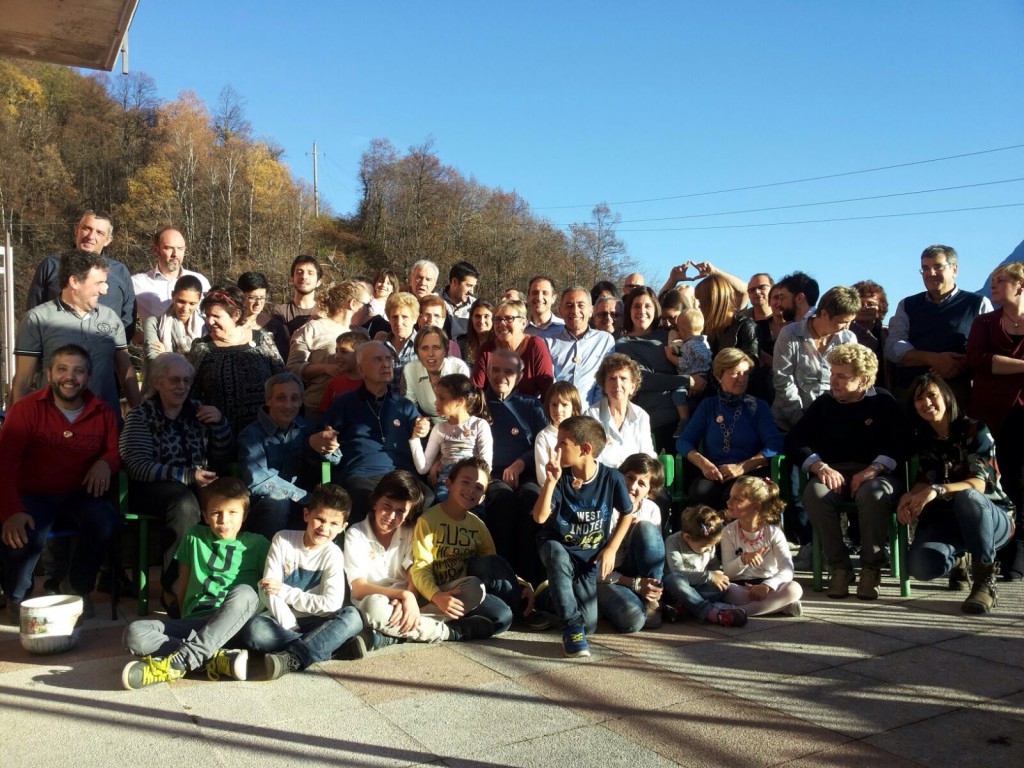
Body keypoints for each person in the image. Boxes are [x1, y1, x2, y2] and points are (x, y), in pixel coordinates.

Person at [1, 344, 120, 622]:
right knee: (21, 531)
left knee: (106, 521)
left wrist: (106, 462)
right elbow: (4, 463)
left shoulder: (102, 411)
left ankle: (77, 588)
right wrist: (11, 511)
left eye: (79, 371)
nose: (70, 377)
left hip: (79, 493)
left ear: (88, 377)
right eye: (62, 369)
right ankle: (17, 596)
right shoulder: (26, 409)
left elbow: (114, 450)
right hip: (33, 492)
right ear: (48, 374)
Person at [120, 477, 270, 689]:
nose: (224, 520)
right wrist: (183, 616)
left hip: (234, 624)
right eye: (216, 513)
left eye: (232, 513)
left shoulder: (258, 543)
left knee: (246, 593)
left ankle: (183, 659)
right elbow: (183, 581)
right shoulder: (194, 537)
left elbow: (272, 584)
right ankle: (216, 659)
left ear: (244, 515)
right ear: (205, 515)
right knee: (134, 633)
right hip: (197, 622)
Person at [786, 343, 908, 600]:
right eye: (832, 374)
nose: (833, 381)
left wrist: (873, 469)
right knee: (815, 495)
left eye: (841, 376)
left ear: (862, 379)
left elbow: (902, 443)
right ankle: (840, 567)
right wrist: (819, 466)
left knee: (873, 495)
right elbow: (796, 440)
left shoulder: (883, 402)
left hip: (877, 473)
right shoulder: (824, 404)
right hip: (834, 471)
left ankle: (871, 568)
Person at [120, 352, 232, 616]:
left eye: (186, 381)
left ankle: (225, 579)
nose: (181, 386)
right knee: (183, 504)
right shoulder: (142, 415)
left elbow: (222, 455)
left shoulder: (198, 412)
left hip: (196, 484)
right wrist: (187, 475)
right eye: (174, 380)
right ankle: (174, 588)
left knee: (232, 499)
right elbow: (137, 465)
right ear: (157, 382)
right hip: (150, 488)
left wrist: (220, 424)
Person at [899, 374, 1015, 613]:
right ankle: (959, 560)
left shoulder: (975, 429)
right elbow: (924, 479)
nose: (926, 402)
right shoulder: (924, 438)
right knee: (921, 567)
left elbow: (978, 484)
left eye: (932, 395)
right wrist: (908, 497)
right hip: (946, 521)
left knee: (968, 498)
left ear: (946, 396)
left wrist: (937, 489)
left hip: (991, 516)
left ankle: (985, 582)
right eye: (919, 399)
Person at [533, 415, 634, 658]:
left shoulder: (612, 478)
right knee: (556, 554)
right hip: (557, 547)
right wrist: (550, 481)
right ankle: (570, 627)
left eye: (562, 443)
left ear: (585, 449)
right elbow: (539, 517)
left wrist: (611, 548)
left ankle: (547, 597)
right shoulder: (561, 477)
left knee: (589, 625)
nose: (556, 448)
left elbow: (627, 513)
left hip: (587, 558)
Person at [241, 483, 364, 679]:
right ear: (306, 515)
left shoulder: (333, 554)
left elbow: (331, 605)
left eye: (333, 524)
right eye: (319, 519)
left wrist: (284, 590)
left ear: (343, 527)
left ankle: (292, 657)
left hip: (316, 620)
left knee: (353, 617)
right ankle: (330, 647)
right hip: (280, 620)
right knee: (254, 630)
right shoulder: (283, 540)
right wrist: (291, 625)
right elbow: (268, 590)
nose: (324, 528)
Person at [410, 457, 531, 641]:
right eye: (465, 482)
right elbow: (420, 567)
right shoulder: (428, 520)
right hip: (438, 591)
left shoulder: (477, 525)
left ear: (482, 497)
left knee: (503, 617)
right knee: (504, 616)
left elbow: (496, 566)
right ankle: (523, 614)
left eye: (479, 487)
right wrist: (437, 596)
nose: (471, 490)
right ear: (449, 483)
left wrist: (522, 585)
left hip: (468, 591)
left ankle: (451, 627)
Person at [14, 248, 141, 417]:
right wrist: (16, 424)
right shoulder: (37, 319)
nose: (104, 290)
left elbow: (125, 371)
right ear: (74, 281)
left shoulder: (110, 317)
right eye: (98, 283)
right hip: (55, 425)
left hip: (105, 423)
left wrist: (141, 417)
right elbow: (23, 380)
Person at [317, 341, 431, 523]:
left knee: (428, 498)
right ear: (361, 369)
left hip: (402, 476)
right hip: (362, 475)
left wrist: (423, 429)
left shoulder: (404, 406)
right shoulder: (344, 404)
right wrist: (322, 441)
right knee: (366, 499)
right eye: (378, 359)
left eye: (388, 359)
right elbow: (320, 439)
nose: (386, 364)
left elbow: (422, 434)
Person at [343, 471, 454, 645]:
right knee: (372, 608)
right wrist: (403, 595)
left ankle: (387, 637)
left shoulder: (410, 530)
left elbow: (413, 573)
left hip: (410, 599)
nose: (391, 516)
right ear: (375, 502)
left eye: (401, 511)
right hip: (377, 600)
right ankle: (449, 632)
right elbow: (358, 588)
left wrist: (410, 598)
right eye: (387, 506)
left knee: (468, 589)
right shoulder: (356, 533)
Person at [966, 261, 1024, 581]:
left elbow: (994, 362)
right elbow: (979, 360)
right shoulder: (985, 322)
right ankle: (1001, 547)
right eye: (992, 280)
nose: (994, 285)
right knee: (1001, 479)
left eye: (1001, 280)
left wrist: (1007, 365)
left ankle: (1019, 551)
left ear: (1021, 285)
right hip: (992, 414)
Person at [885, 244, 992, 408]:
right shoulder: (907, 305)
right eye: (925, 268)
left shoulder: (977, 304)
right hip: (912, 393)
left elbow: (989, 347)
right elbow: (893, 347)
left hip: (958, 393)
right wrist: (933, 359)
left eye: (937, 267)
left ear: (954, 269)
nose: (931, 273)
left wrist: (958, 362)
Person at [238, 373, 341, 541]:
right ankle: (268, 553)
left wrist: (327, 448)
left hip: (303, 505)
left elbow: (334, 460)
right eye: (281, 398)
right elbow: (258, 482)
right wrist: (306, 498)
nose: (288, 405)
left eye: (294, 398)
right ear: (268, 400)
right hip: (265, 509)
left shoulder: (305, 427)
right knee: (278, 503)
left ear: (301, 401)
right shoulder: (252, 435)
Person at [678, 348, 783, 509]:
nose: (741, 379)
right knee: (700, 493)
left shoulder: (757, 407)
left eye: (745, 373)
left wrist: (742, 467)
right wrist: (704, 464)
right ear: (719, 376)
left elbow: (774, 445)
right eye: (735, 373)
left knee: (735, 496)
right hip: (715, 472)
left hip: (749, 473)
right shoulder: (709, 406)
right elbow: (684, 441)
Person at [481, 350, 549, 584]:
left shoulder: (531, 405)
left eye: (508, 371)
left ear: (519, 376)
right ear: (487, 372)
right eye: (495, 370)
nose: (501, 376)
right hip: (490, 474)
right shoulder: (478, 403)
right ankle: (503, 579)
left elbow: (544, 442)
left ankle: (531, 581)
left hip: (527, 473)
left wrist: (521, 462)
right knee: (503, 502)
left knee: (533, 500)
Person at [189, 284, 285, 444]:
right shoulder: (202, 348)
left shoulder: (262, 340)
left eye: (216, 316)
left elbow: (282, 380)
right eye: (207, 315)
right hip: (220, 438)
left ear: (236, 315)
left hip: (263, 436)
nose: (209, 321)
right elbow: (190, 394)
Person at [26, 210, 136, 340]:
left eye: (99, 232)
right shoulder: (51, 266)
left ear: (108, 240)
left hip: (106, 349)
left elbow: (128, 320)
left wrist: (112, 346)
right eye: (86, 228)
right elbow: (34, 313)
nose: (91, 236)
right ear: (76, 230)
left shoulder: (120, 272)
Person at [615, 286, 698, 452]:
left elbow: (688, 361)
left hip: (680, 419)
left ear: (655, 309)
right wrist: (687, 381)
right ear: (629, 310)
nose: (642, 311)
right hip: (647, 422)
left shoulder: (670, 336)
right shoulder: (622, 345)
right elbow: (642, 379)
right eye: (636, 306)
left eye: (647, 306)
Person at [772, 285, 860, 431]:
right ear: (824, 314)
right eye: (842, 322)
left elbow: (849, 381)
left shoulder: (848, 339)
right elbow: (783, 380)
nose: (847, 327)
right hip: (788, 423)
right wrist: (803, 422)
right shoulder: (790, 334)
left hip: (830, 424)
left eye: (850, 321)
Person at [287, 280, 374, 425]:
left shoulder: (363, 333)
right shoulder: (313, 329)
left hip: (359, 406)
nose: (369, 311)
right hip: (319, 409)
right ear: (353, 304)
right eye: (367, 306)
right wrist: (325, 368)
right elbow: (292, 368)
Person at [595, 454, 666, 633]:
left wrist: (648, 585)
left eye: (641, 483)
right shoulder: (604, 507)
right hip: (609, 578)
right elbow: (596, 570)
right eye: (629, 478)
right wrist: (634, 584)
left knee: (646, 528)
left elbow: (655, 555)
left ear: (649, 492)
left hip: (639, 572)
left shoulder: (651, 509)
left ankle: (651, 600)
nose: (633, 486)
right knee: (632, 619)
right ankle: (627, 605)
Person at [719, 477, 803, 616]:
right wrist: (743, 560)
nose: (728, 502)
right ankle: (779, 605)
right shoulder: (728, 531)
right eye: (730, 497)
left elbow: (787, 569)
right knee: (724, 589)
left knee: (795, 588)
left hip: (767, 585)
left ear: (756, 506)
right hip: (740, 587)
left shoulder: (774, 533)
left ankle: (740, 611)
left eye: (737, 499)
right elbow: (728, 572)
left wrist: (767, 586)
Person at [409, 374, 493, 501]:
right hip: (445, 486)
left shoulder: (479, 425)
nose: (435, 402)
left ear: (459, 401)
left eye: (441, 398)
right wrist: (415, 438)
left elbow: (486, 466)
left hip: (471, 487)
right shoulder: (439, 429)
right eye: (436, 397)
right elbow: (423, 468)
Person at [663, 505, 748, 626]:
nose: (709, 549)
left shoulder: (709, 546)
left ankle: (685, 607)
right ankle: (711, 613)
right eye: (705, 547)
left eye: (712, 546)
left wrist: (719, 577)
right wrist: (709, 576)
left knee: (722, 586)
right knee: (674, 579)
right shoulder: (673, 542)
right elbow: (678, 572)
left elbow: (714, 568)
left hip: (699, 588)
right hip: (678, 590)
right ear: (687, 537)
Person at [544, 287, 615, 406]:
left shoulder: (604, 341)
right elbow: (549, 381)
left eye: (581, 305)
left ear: (591, 310)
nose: (575, 311)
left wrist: (593, 412)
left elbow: (603, 383)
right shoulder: (547, 341)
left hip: (591, 413)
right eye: (569, 305)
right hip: (557, 411)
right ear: (560, 310)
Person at [471, 297, 554, 399]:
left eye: (509, 318)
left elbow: (547, 391)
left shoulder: (535, 346)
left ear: (523, 323)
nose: (502, 323)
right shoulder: (487, 349)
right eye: (497, 319)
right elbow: (476, 390)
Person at [587, 353, 656, 469]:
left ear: (633, 386)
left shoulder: (641, 416)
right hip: (604, 477)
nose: (618, 384)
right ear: (604, 386)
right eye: (612, 379)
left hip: (634, 476)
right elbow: (590, 458)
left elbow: (647, 455)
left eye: (623, 378)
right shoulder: (592, 415)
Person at [132, 227, 211, 324]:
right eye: (169, 248)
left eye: (180, 248)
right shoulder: (137, 284)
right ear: (156, 250)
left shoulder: (201, 281)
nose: (175, 254)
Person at [141, 274, 205, 390]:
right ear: (172, 295)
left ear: (199, 300)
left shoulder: (205, 326)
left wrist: (166, 355)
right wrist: (191, 360)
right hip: (160, 392)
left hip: (197, 391)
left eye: (192, 303)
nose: (185, 308)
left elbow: (206, 364)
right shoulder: (153, 323)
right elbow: (154, 359)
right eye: (181, 301)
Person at [666, 307, 713, 432]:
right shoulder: (705, 342)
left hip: (692, 379)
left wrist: (670, 356)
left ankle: (684, 420)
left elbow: (684, 364)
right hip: (705, 378)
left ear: (681, 331)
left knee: (677, 393)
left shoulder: (688, 345)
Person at [694, 273, 758, 363]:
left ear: (713, 301)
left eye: (701, 301)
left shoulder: (745, 326)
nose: (699, 306)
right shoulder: (705, 329)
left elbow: (751, 364)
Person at [534, 381, 583, 485]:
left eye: (564, 405)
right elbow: (543, 479)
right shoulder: (543, 437)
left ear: (574, 407)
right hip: (554, 490)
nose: (558, 410)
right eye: (554, 405)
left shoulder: (583, 433)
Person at [238, 270, 290, 360]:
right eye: (252, 298)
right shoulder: (228, 325)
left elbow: (283, 361)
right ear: (240, 296)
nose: (258, 303)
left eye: (262, 298)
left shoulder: (275, 328)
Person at [271, 254, 322, 345]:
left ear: (318, 282)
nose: (304, 276)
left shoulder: (326, 311)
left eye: (310, 273)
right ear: (292, 279)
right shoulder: (280, 311)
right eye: (299, 272)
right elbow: (282, 346)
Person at [376, 291, 420, 387]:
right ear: (389, 319)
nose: (399, 323)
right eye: (395, 317)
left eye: (405, 317)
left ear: (415, 319)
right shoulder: (380, 346)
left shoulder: (423, 346)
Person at [319, 329, 370, 411]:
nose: (337, 356)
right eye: (336, 351)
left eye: (344, 351)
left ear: (361, 354)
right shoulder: (334, 383)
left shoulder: (372, 383)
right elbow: (326, 413)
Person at [439, 260, 479, 339]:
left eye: (473, 287)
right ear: (454, 282)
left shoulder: (475, 305)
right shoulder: (435, 300)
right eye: (469, 286)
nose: (472, 291)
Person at [457, 298, 493, 366]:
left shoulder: (499, 344)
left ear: (493, 319)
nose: (481, 321)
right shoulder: (462, 343)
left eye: (486, 316)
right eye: (477, 316)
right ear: (471, 318)